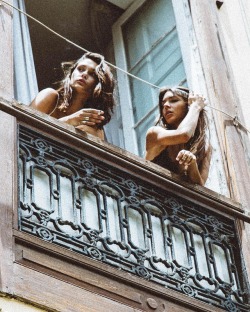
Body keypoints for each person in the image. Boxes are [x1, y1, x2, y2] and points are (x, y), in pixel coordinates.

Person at [30, 52, 115, 140]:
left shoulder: (95, 126)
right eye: (80, 69)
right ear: (71, 74)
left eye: (92, 74)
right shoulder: (50, 96)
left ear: (98, 84)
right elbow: (24, 126)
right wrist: (70, 121)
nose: (84, 74)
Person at [145, 86, 211, 186]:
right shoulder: (154, 134)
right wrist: (196, 106)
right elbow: (184, 135)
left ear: (188, 106)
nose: (166, 105)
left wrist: (192, 164)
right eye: (163, 103)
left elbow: (200, 188)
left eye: (174, 100)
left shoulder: (204, 147)